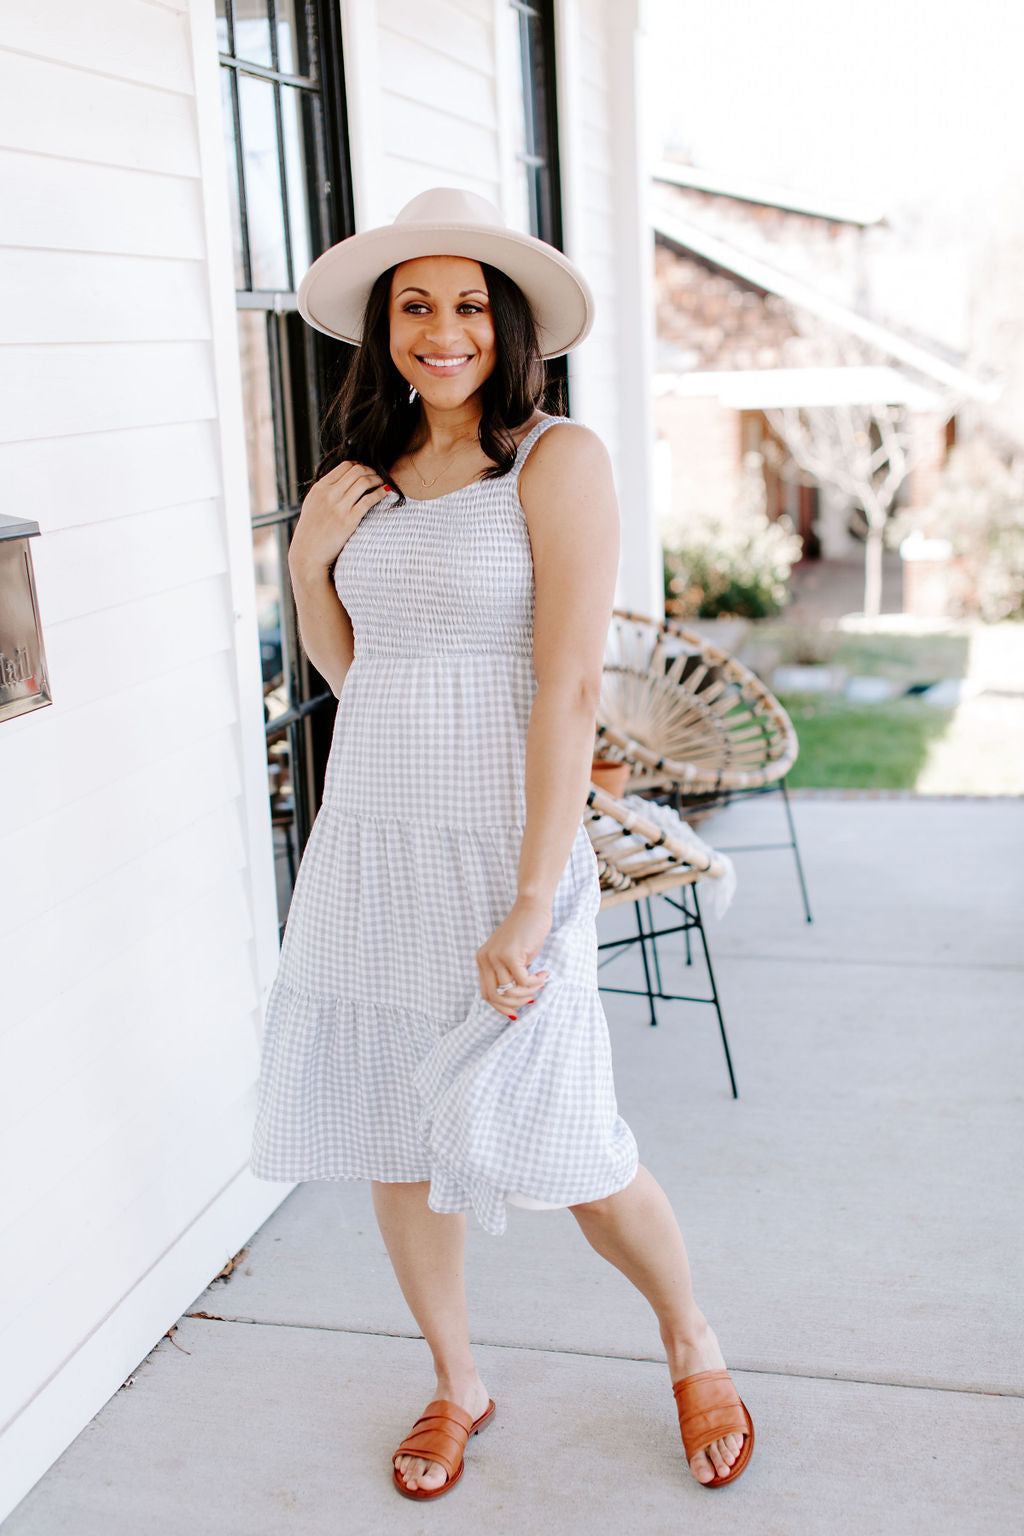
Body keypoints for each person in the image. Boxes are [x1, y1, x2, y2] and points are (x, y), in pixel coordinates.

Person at [248, 187, 754, 1499]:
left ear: (508, 320)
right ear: (386, 330)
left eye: (468, 303)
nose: (443, 329)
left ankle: (691, 1337)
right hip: (376, 845)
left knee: (573, 1140)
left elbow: (568, 690)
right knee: (399, 1135)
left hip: (508, 854)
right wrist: (310, 568)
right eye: (415, 306)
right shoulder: (365, 485)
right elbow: (365, 677)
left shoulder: (557, 460)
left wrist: (536, 898)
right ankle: (456, 1381)